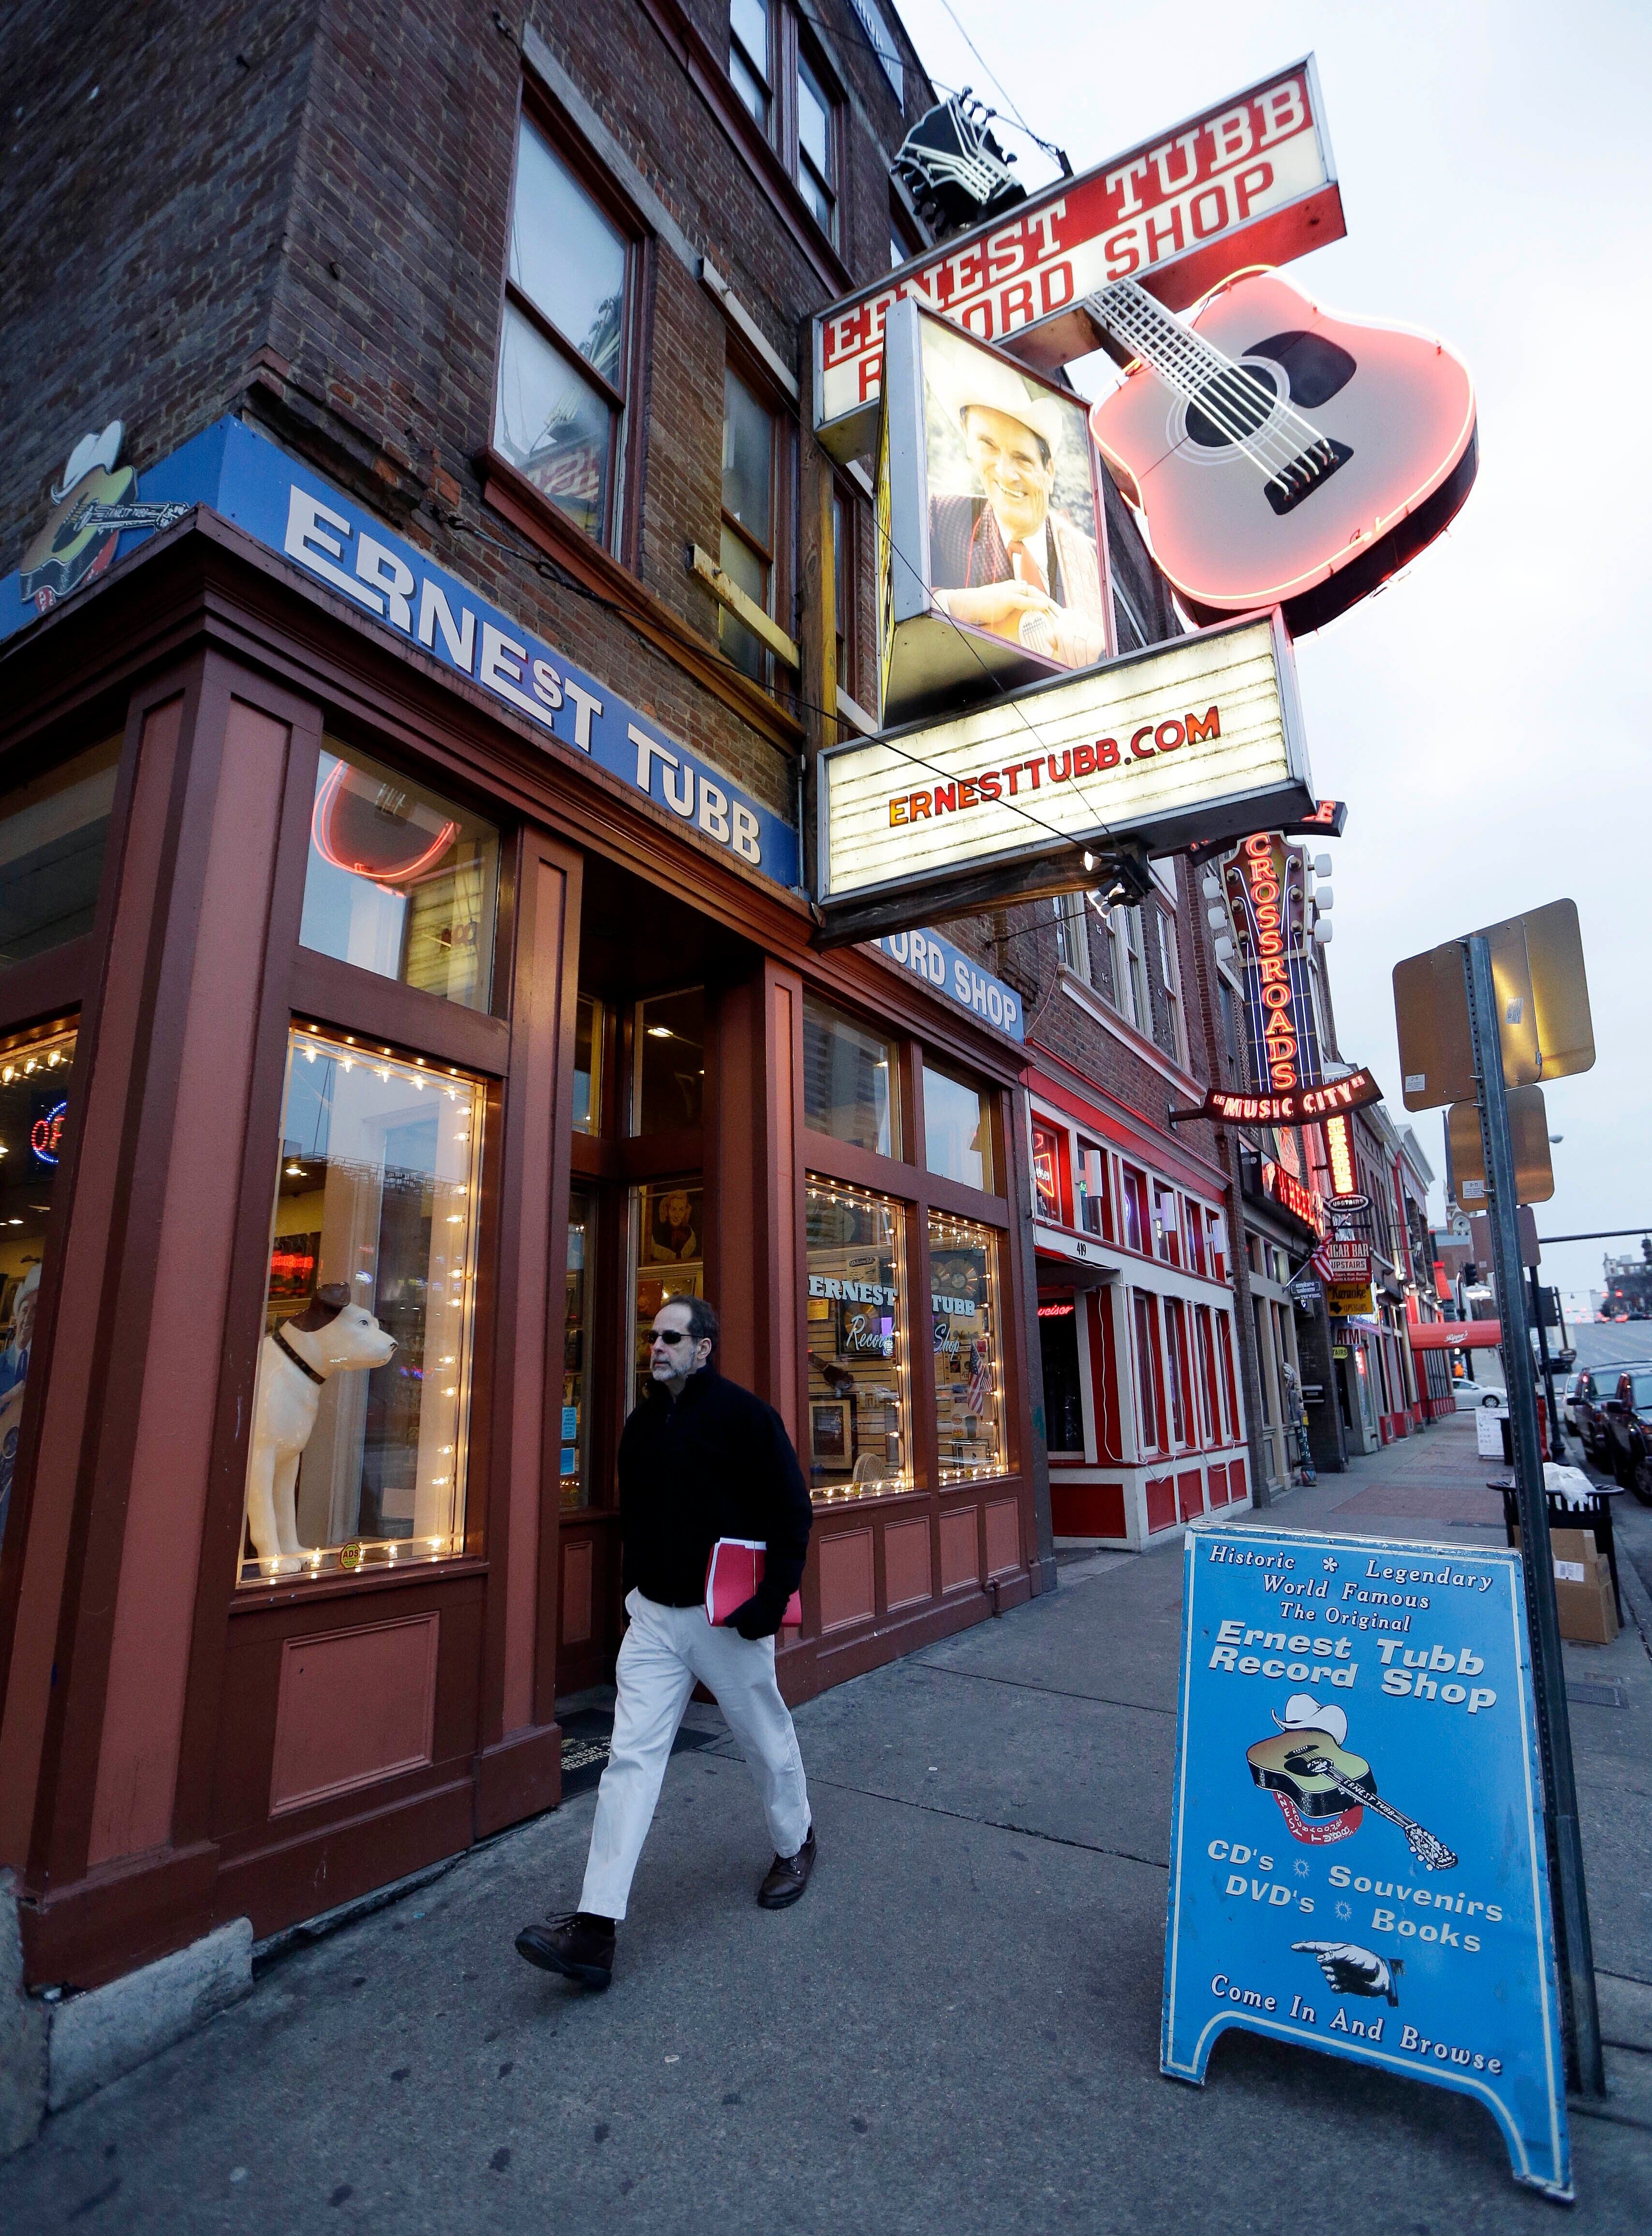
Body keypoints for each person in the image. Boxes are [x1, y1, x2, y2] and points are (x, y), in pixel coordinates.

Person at [516, 1295, 815, 1990]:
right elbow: (636, 1516)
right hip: (653, 1617)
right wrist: (632, 1594)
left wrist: (769, 1603)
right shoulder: (640, 1423)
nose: (657, 1347)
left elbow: (791, 1511)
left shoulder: (747, 1418)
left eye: (672, 1337)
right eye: (653, 1336)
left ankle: (795, 1843)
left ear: (705, 1346)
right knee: (629, 1759)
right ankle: (595, 1928)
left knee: (764, 1736)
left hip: (726, 1617)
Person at [926, 352, 1107, 670]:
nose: (1005, 472)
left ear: (1049, 471)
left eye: (1022, 458)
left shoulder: (1089, 559)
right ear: (970, 447)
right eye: (988, 446)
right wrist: (968, 605)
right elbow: (893, 607)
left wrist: (1100, 651)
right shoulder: (940, 518)